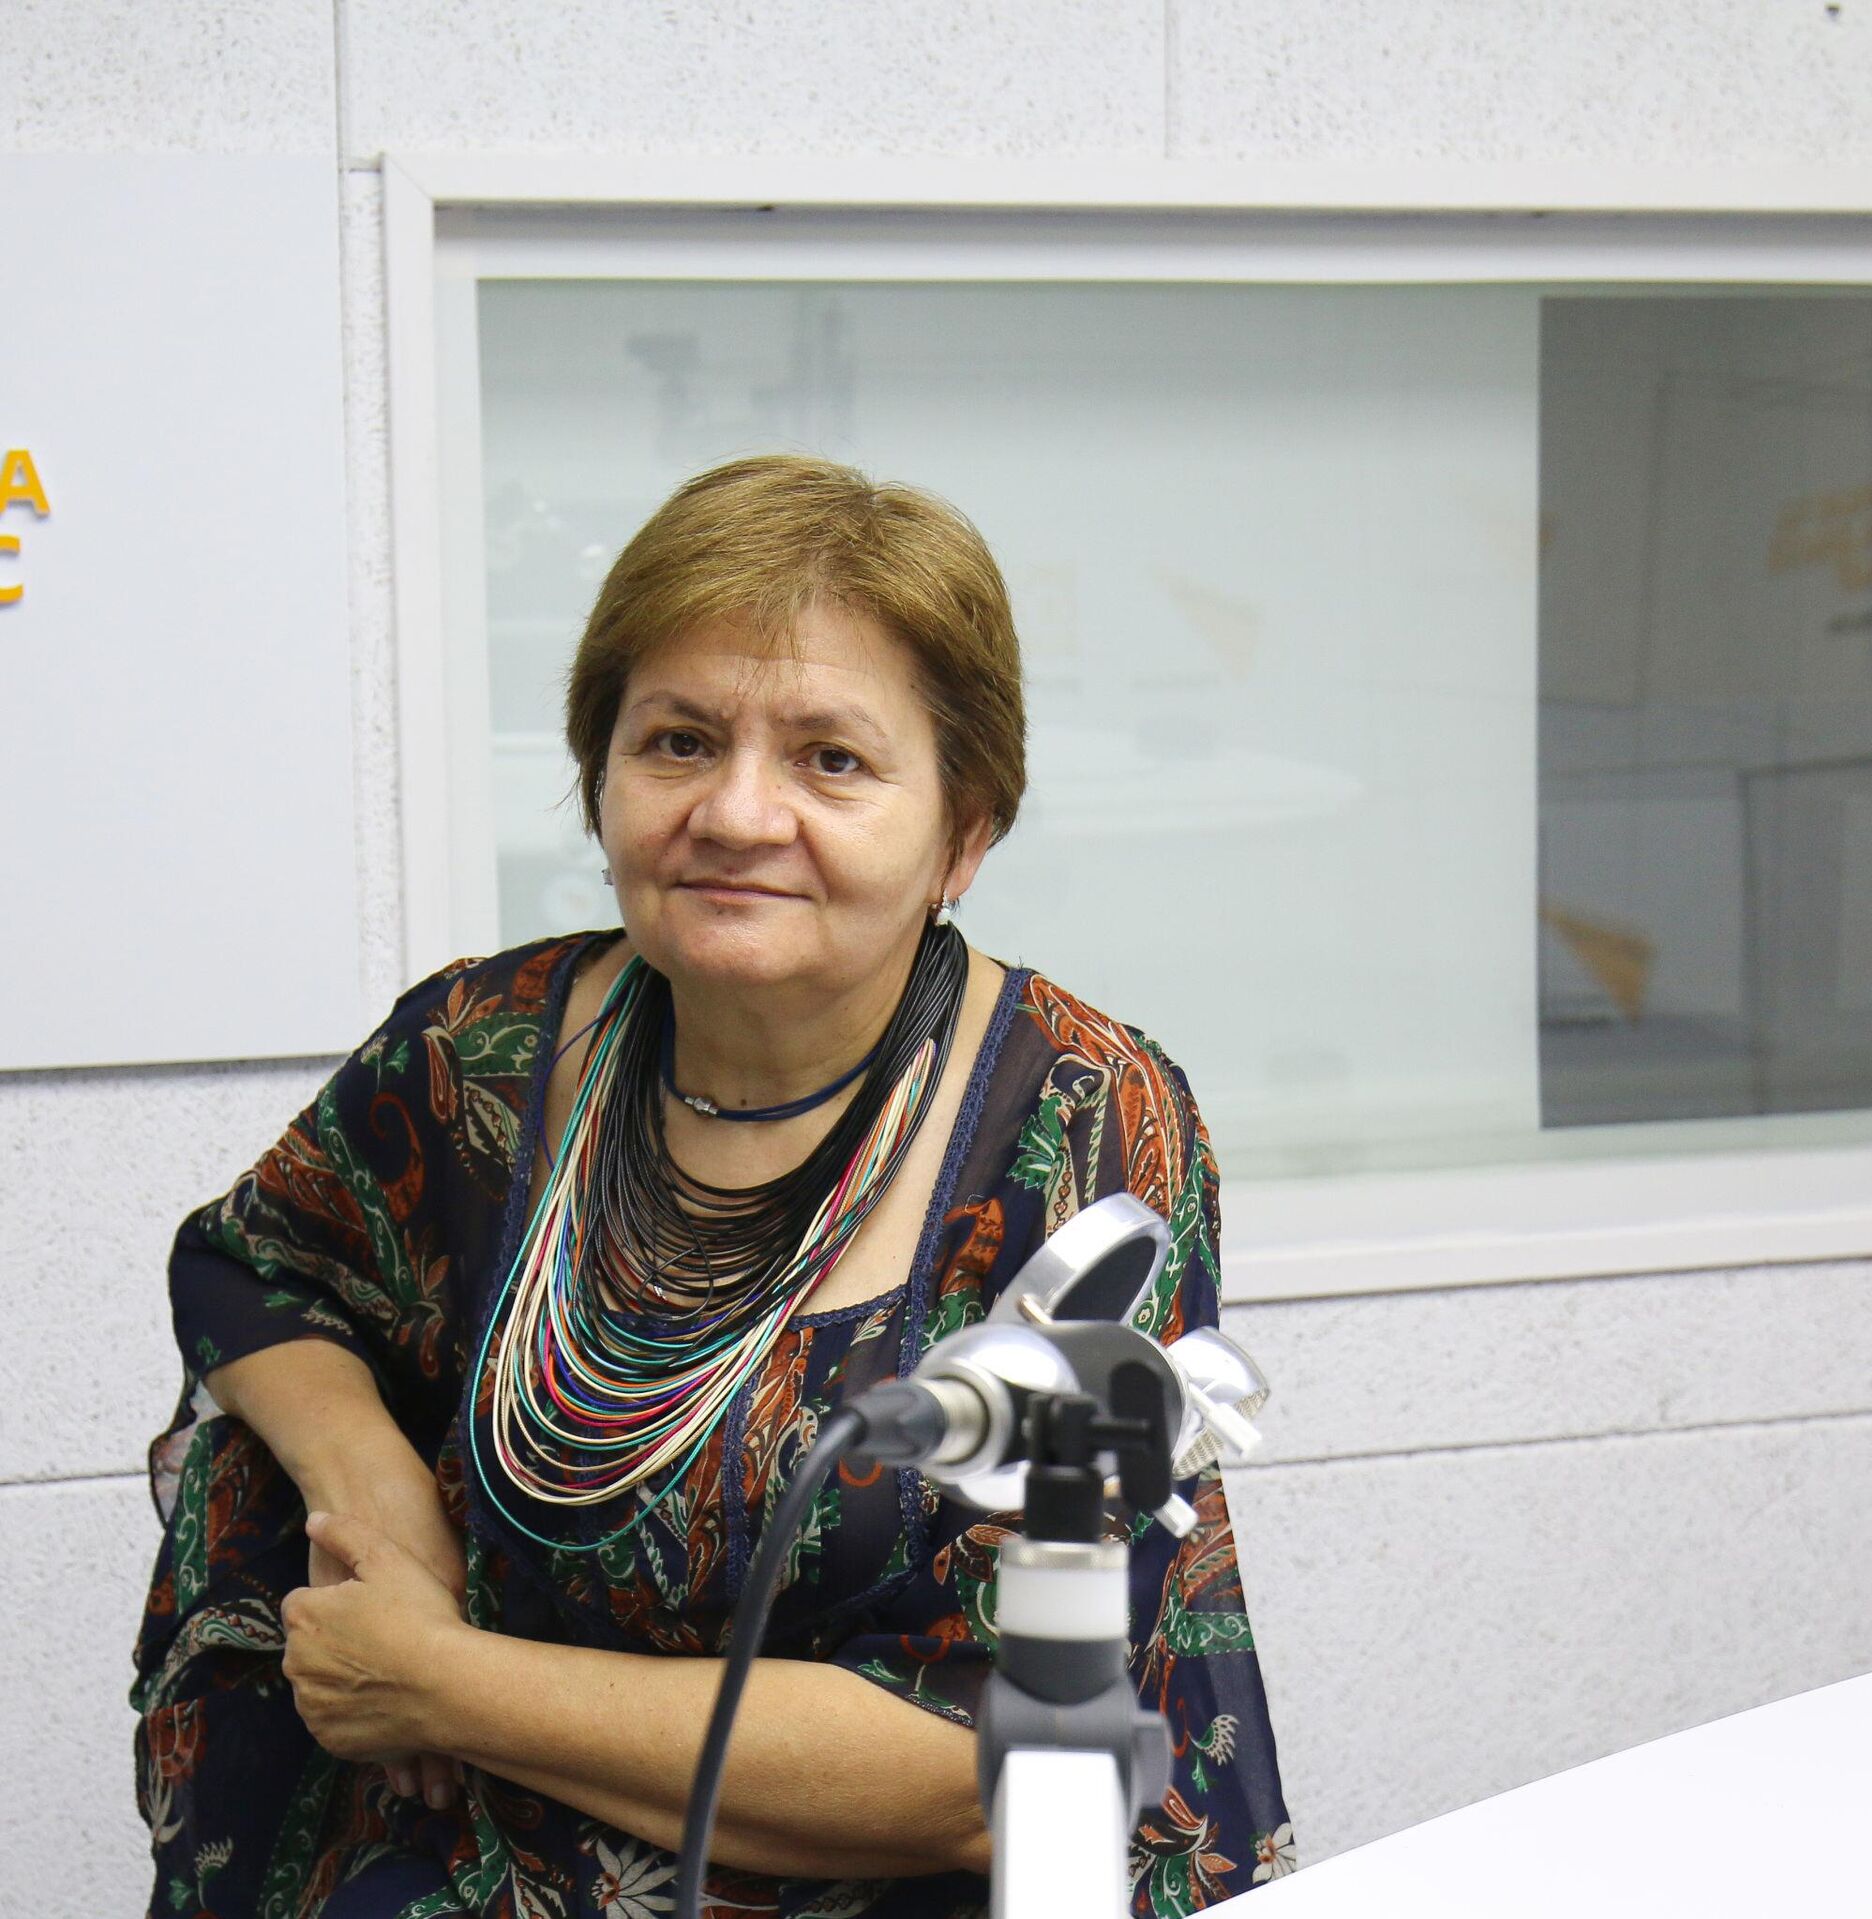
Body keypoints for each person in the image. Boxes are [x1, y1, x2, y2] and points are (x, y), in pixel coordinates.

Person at [132, 453, 1295, 1919]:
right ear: (600, 777)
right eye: (679, 742)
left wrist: (442, 1681)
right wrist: (378, 1497)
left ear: (965, 832)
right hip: (472, 1864)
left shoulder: (1084, 1124)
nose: (739, 814)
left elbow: (998, 1766)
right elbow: (254, 1268)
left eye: (833, 761)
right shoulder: (481, 1045)